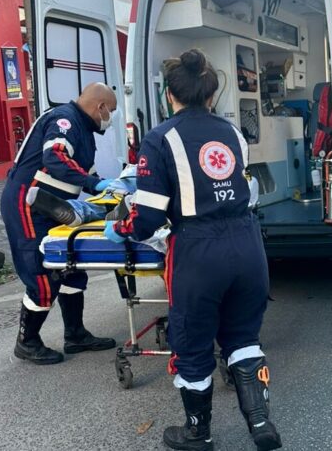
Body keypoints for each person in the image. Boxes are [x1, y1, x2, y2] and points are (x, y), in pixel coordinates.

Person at [103, 49, 282, 451]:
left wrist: (121, 229)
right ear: (211, 94)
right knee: (243, 336)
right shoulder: (233, 134)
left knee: (193, 345)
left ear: (170, 95)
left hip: (199, 253)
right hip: (248, 245)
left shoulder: (160, 138)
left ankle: (197, 433)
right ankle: (260, 422)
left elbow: (148, 218)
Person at [1, 82, 118, 365]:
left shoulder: (85, 131)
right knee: (42, 275)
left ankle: (75, 335)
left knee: (71, 267)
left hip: (56, 207)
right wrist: (94, 183)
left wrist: (110, 189)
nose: (110, 117)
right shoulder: (63, 120)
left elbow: (84, 171)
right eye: (111, 111)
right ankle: (27, 342)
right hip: (29, 204)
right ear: (100, 107)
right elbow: (54, 157)